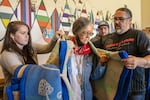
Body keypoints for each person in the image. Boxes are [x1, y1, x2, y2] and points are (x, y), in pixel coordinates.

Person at [92, 7, 150, 100]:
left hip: (134, 90)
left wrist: (138, 61)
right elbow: (88, 45)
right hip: (113, 90)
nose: (117, 22)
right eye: (115, 19)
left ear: (130, 20)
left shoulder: (138, 35)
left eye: (121, 19)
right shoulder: (106, 38)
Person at [47, 17, 108, 100]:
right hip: (67, 95)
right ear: (76, 32)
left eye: (90, 33)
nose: (88, 37)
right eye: (84, 32)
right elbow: (51, 69)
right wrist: (64, 56)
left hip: (86, 96)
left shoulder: (90, 52)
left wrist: (101, 64)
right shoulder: (65, 48)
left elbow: (93, 77)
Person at [0, 21, 61, 100]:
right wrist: (49, 68)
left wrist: (55, 38)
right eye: (23, 33)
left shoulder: (30, 47)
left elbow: (47, 48)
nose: (27, 36)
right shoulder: (7, 54)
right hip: (15, 94)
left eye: (28, 33)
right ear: (12, 35)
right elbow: (20, 72)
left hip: (30, 90)